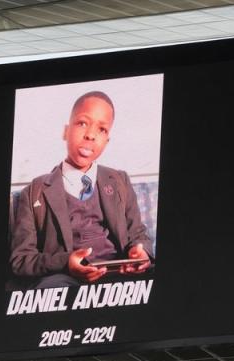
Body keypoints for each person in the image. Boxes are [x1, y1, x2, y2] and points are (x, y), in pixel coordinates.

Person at [9, 90, 153, 289]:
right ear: (66, 131)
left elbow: (139, 236)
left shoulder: (120, 181)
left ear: (107, 141)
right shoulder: (34, 191)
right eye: (82, 123)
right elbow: (21, 260)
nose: (90, 135)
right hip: (66, 279)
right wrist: (65, 262)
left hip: (120, 278)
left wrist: (141, 252)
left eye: (102, 129)